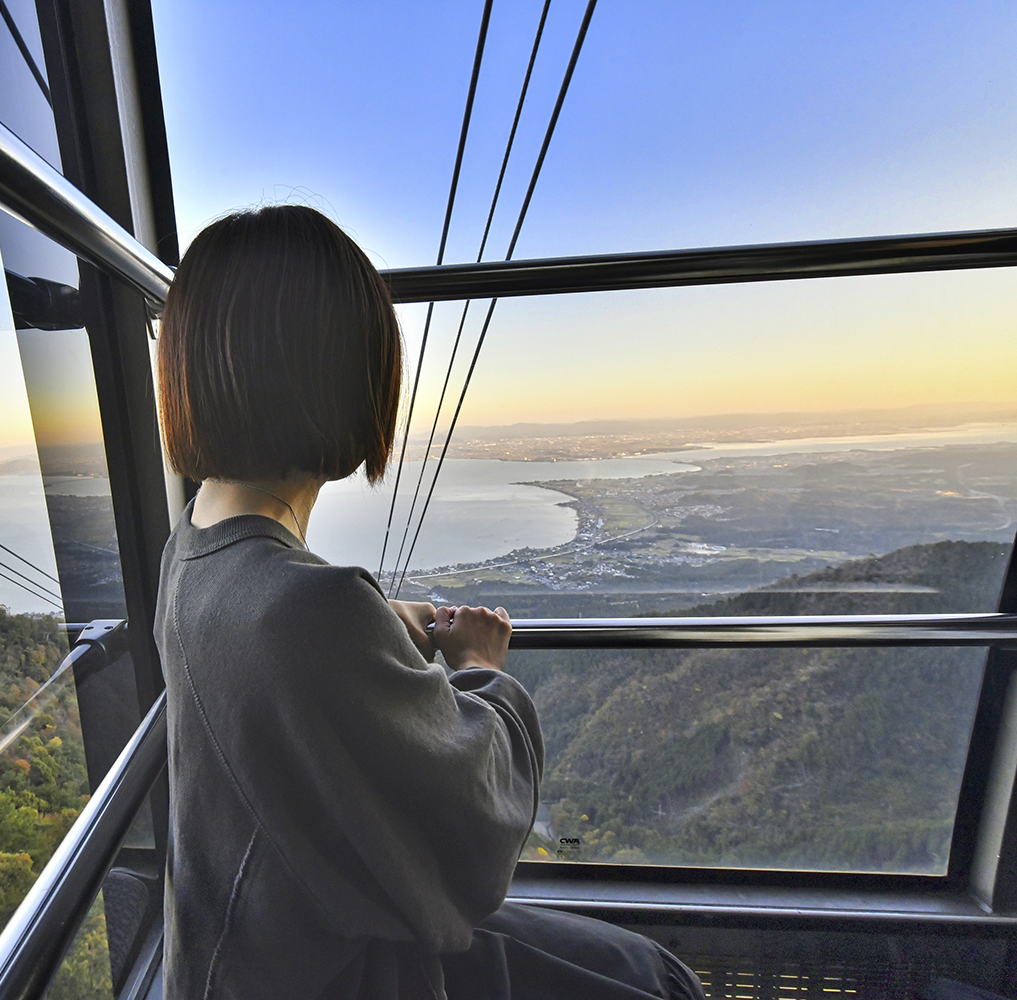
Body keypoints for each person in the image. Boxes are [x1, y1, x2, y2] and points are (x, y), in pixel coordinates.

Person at [153, 204, 704, 1000]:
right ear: (340, 378)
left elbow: (291, 661)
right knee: (659, 984)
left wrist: (378, 619)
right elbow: (473, 836)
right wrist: (483, 669)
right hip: (339, 973)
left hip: (244, 959)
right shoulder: (306, 614)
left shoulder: (191, 553)